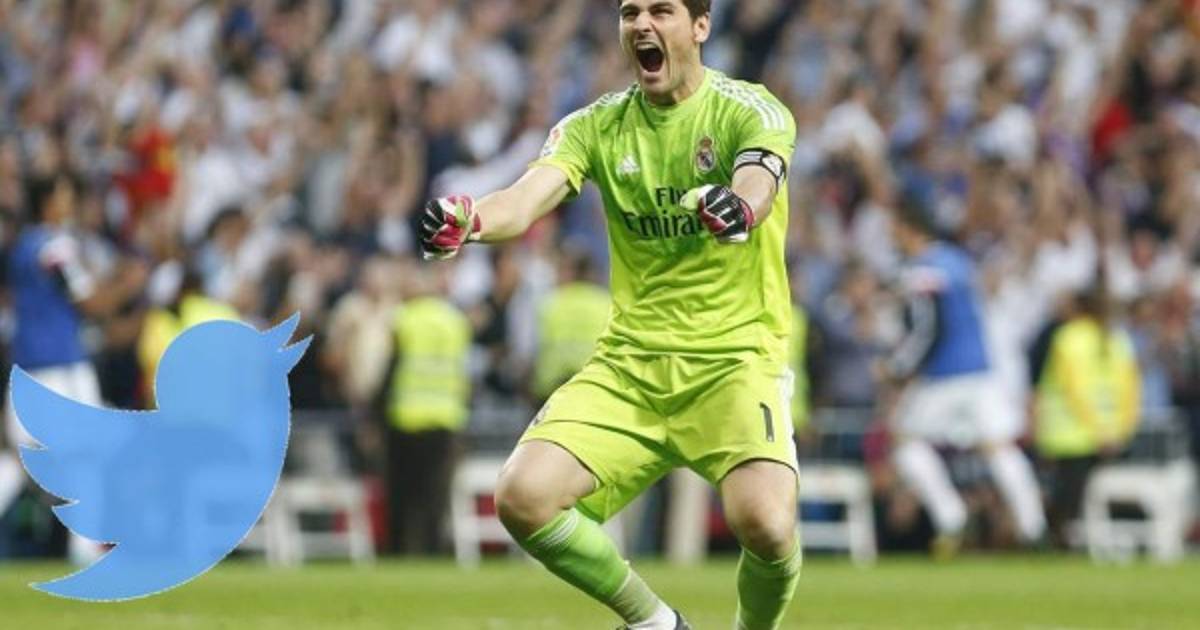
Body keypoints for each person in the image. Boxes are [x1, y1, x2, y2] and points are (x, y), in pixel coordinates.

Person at [419, 1, 799, 627]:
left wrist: (739, 208)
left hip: (734, 362)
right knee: (522, 496)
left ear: (701, 26)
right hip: (631, 366)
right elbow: (525, 198)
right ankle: (654, 622)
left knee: (766, 524)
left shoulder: (748, 108)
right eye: (629, 13)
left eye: (662, 11)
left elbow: (759, 177)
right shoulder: (595, 126)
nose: (641, 25)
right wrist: (473, 219)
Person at [881, 196, 1046, 557]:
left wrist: (897, 368)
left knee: (906, 443)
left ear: (909, 228)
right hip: (981, 370)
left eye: (894, 229)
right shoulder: (958, 261)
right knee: (999, 447)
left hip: (944, 375)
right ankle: (1034, 529)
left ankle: (952, 519)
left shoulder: (923, 271)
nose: (891, 237)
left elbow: (928, 328)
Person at [0, 172, 146, 563]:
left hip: (29, 365)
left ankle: (85, 545)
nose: (70, 204)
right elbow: (88, 302)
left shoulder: (23, 245)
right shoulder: (54, 245)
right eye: (64, 195)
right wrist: (129, 285)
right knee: (89, 455)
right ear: (48, 201)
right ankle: (85, 547)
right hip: (61, 368)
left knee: (19, 459)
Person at [1034, 282, 1141, 548]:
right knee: (1087, 492)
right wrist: (1120, 429)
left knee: (1070, 493)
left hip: (1071, 434)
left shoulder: (1069, 338)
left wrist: (1098, 430)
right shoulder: (1118, 340)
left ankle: (1059, 537)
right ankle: (1073, 537)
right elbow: (1130, 388)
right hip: (1111, 433)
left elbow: (1075, 390)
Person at [381, 263, 472, 555]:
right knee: (435, 492)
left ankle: (399, 549)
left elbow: (391, 367)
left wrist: (375, 410)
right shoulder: (456, 321)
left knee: (402, 490)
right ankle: (433, 548)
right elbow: (463, 372)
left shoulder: (404, 317)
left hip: (405, 416)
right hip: (446, 416)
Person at [531, 247, 611, 404]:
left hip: (552, 388)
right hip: (594, 386)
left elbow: (533, 348)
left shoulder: (551, 302)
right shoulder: (607, 302)